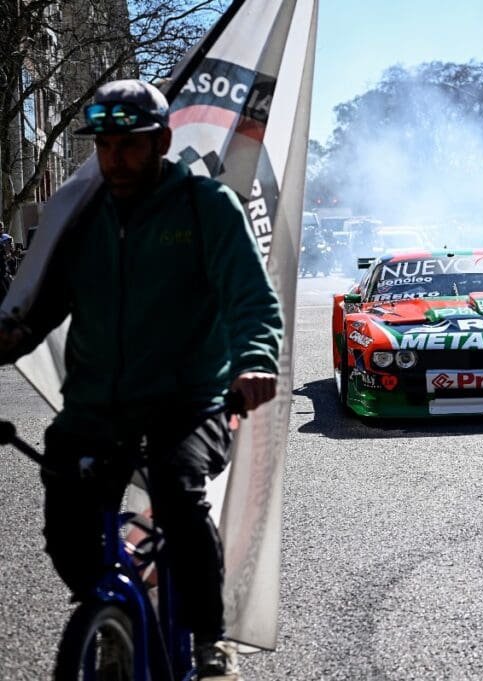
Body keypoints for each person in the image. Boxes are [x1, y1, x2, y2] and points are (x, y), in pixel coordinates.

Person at [0, 80, 283, 680]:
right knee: (68, 533)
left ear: (161, 141)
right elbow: (42, 304)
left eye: (129, 145)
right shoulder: (82, 216)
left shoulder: (204, 207)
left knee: (178, 496)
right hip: (95, 411)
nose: (114, 159)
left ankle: (210, 638)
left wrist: (255, 359)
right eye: (104, 146)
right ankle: (114, 614)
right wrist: (11, 337)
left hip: (190, 404)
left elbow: (251, 301)